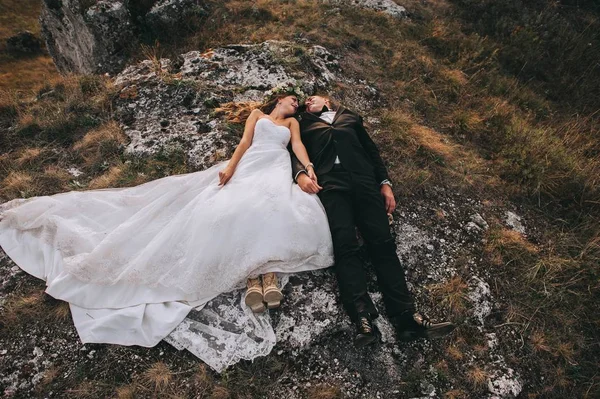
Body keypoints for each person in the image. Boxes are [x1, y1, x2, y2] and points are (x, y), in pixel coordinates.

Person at [0, 90, 334, 351]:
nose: (295, 106)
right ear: (280, 100)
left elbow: (298, 148)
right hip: (251, 164)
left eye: (297, 104)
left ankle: (269, 278)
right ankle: (253, 281)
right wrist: (231, 167)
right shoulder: (258, 115)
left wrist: (306, 169)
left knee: (271, 209)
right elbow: (245, 143)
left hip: (275, 168)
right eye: (292, 100)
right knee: (234, 209)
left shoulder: (292, 125)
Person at [292, 95, 455, 347]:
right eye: (305, 101)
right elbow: (292, 149)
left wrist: (385, 184)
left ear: (326, 100)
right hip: (331, 183)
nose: (307, 101)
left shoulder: (350, 117)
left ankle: (406, 317)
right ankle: (362, 317)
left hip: (364, 182)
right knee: (345, 245)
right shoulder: (302, 122)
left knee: (383, 244)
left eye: (312, 97)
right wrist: (300, 173)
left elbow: (371, 151)